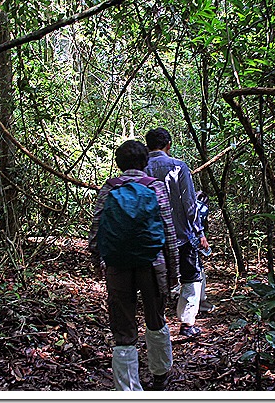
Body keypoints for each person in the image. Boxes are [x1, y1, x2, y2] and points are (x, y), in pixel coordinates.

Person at [88, 140, 180, 391]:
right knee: (156, 317)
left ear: (119, 164)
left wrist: (98, 260)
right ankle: (160, 373)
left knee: (123, 326)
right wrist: (174, 271)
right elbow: (168, 231)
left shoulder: (109, 187)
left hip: (117, 265)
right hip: (153, 264)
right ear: (145, 163)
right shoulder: (155, 187)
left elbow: (97, 227)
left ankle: (128, 390)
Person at [144, 128, 210, 338]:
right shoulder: (179, 167)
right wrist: (199, 231)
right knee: (191, 277)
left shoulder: (141, 168)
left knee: (156, 278)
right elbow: (189, 203)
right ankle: (187, 324)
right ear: (169, 145)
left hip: (153, 236)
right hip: (181, 235)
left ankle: (157, 323)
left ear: (148, 146)